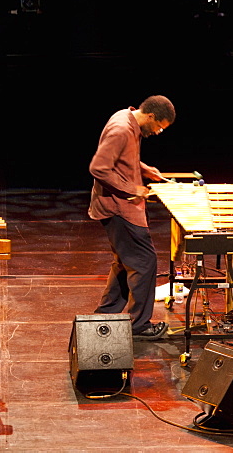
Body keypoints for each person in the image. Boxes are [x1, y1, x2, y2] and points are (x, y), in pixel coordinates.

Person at [89, 95, 175, 340]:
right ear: (150, 116)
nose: (158, 132)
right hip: (118, 207)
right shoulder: (121, 129)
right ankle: (139, 325)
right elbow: (99, 168)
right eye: (159, 126)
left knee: (126, 261)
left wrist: (144, 170)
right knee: (144, 262)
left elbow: (122, 159)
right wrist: (132, 189)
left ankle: (106, 313)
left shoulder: (126, 116)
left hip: (120, 206)